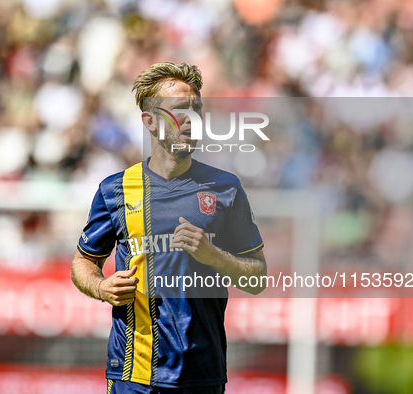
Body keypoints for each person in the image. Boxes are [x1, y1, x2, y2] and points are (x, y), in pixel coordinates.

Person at [71, 62, 267, 394]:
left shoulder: (225, 188)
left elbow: (257, 277)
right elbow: (83, 262)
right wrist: (102, 288)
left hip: (202, 374)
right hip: (133, 373)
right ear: (149, 121)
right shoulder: (115, 190)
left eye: (197, 108)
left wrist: (214, 256)